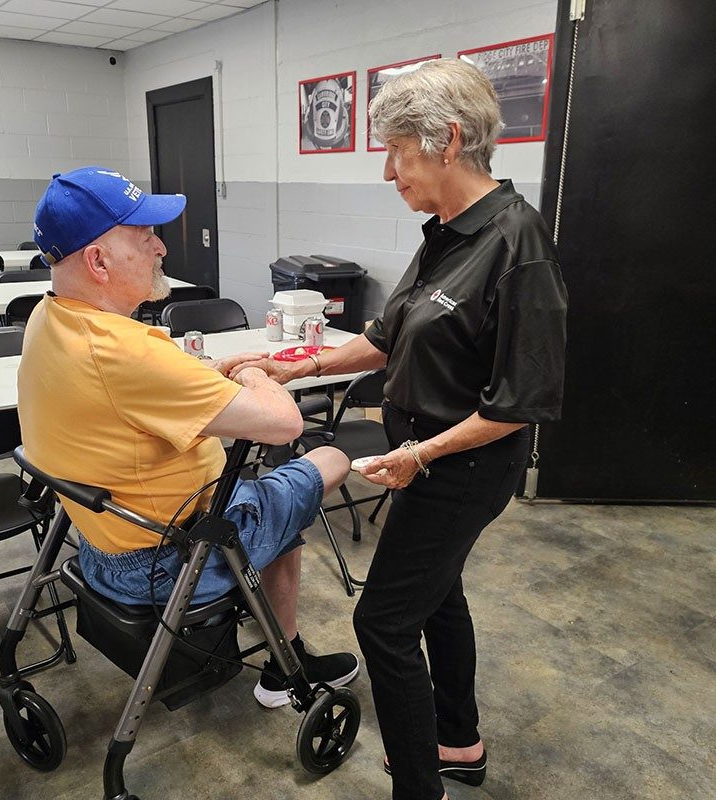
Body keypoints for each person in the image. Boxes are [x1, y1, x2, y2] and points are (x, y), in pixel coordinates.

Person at [231, 59, 567, 800]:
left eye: (397, 152)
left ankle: (420, 786)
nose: (389, 171)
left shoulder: (518, 246)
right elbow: (385, 336)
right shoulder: (447, 232)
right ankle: (459, 740)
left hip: (466, 467)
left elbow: (519, 403)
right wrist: (300, 366)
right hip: (421, 457)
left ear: (447, 141)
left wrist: (420, 453)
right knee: (437, 596)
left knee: (383, 623)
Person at [17, 166, 359, 709]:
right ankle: (283, 669)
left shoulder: (49, 318)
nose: (160, 249)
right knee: (328, 458)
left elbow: (131, 392)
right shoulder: (126, 353)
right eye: (144, 237)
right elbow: (286, 423)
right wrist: (252, 371)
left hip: (102, 540)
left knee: (265, 499)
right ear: (98, 261)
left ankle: (281, 645)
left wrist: (203, 378)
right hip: (170, 559)